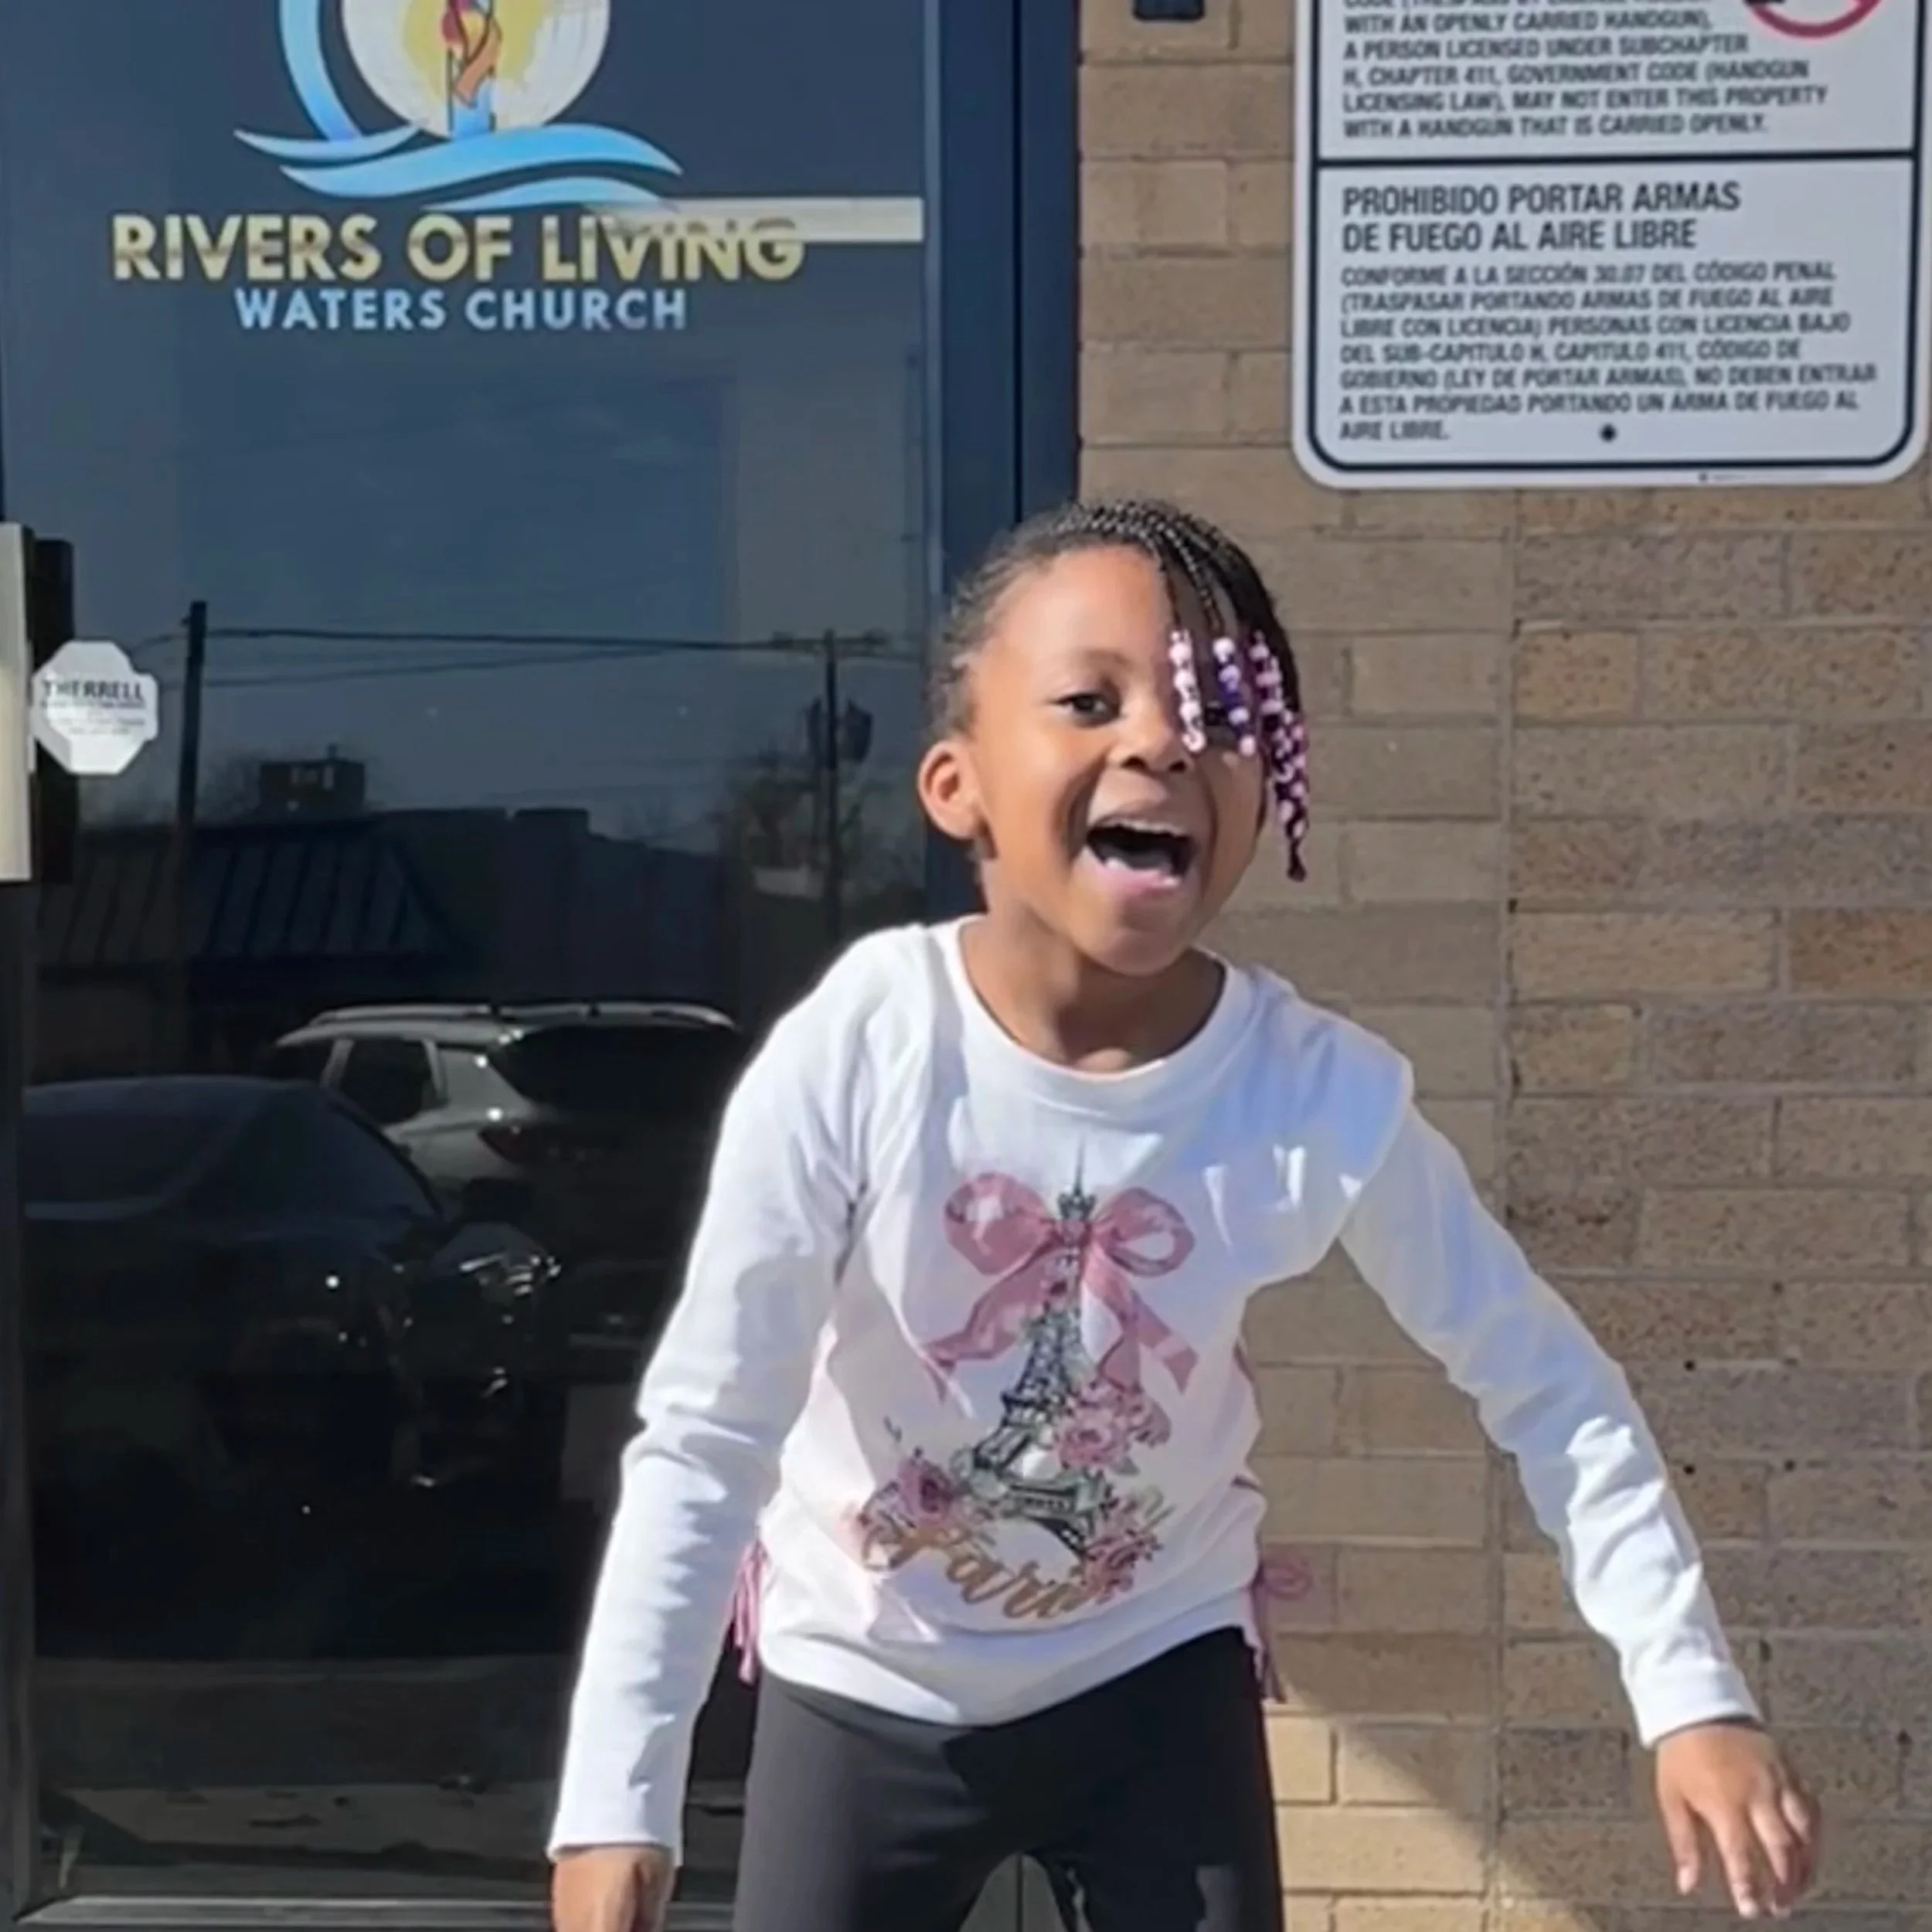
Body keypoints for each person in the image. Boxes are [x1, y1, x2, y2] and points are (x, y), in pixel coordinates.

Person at [549, 499, 1821, 1932]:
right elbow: (711, 1430)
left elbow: (1551, 1388)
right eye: (1090, 700)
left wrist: (1690, 1693)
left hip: (1156, 1678)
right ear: (956, 784)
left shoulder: (1309, 1093)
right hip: (866, 1678)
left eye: (1216, 708)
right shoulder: (864, 1047)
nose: (1161, 739)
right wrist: (618, 1793)